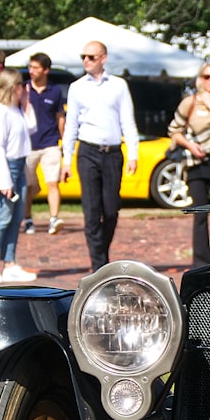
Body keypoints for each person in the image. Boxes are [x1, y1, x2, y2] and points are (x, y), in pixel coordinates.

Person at [61, 41, 139, 272]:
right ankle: (99, 264)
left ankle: (102, 253)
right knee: (91, 210)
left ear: (103, 58)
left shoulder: (118, 85)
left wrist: (133, 153)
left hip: (112, 152)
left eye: (91, 57)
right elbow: (71, 125)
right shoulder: (77, 87)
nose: (86, 60)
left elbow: (128, 120)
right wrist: (67, 159)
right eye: (83, 56)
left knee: (111, 209)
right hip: (87, 151)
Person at [167, 62, 210, 267]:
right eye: (206, 77)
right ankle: (200, 263)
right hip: (196, 164)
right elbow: (173, 130)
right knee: (200, 216)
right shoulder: (190, 102)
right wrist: (190, 145)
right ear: (200, 79)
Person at [0, 68, 37, 284]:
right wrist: (4, 181)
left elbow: (32, 127)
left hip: (19, 165)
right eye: (22, 85)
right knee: (2, 217)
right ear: (15, 87)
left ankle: (10, 262)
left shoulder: (17, 110)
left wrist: (27, 102)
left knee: (16, 217)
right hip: (5, 167)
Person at [22, 52, 66, 235]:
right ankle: (28, 218)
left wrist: (63, 142)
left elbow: (60, 117)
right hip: (28, 145)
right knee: (29, 185)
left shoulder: (55, 91)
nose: (31, 71)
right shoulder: (23, 89)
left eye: (35, 68)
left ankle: (54, 218)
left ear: (46, 70)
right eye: (30, 67)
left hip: (50, 143)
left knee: (53, 182)